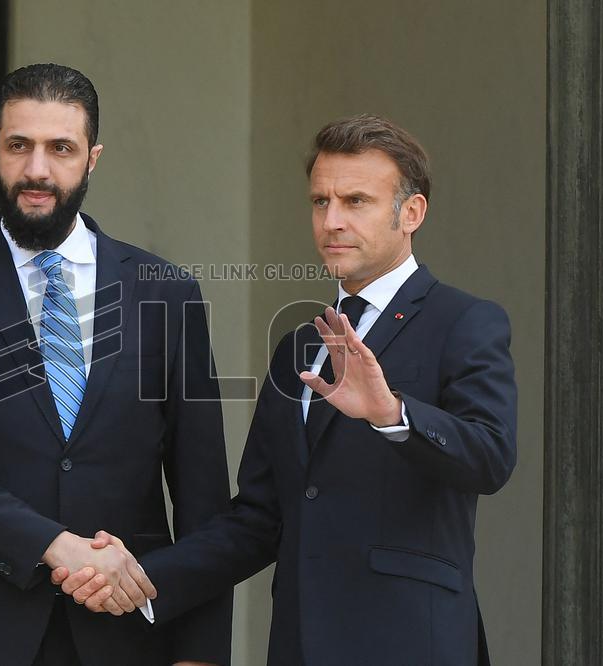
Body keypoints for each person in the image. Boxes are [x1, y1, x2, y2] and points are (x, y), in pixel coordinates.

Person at [56, 115, 518, 665]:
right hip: (301, 643)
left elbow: (490, 457)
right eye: (320, 202)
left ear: (411, 213)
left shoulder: (464, 321)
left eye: (356, 201)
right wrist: (143, 578)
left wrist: (392, 413)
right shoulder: (299, 347)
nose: (332, 220)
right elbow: (258, 518)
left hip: (413, 641)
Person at [0, 63, 232, 666]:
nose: (37, 169)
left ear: (92, 158)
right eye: (20, 145)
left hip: (128, 634)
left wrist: (200, 654)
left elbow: (202, 495)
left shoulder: (166, 294)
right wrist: (54, 545)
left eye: (61, 148)